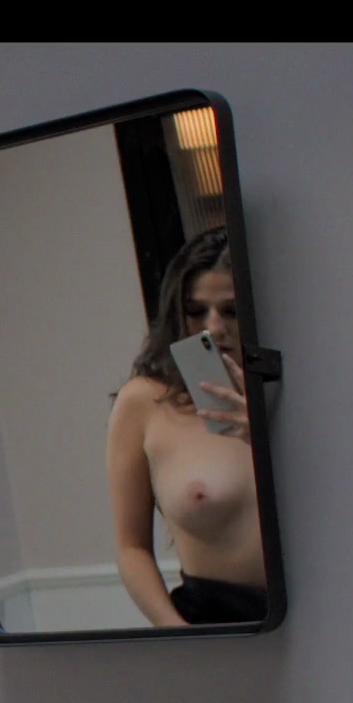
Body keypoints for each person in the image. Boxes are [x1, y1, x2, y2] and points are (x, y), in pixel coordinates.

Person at [105, 226, 266, 627]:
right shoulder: (145, 402)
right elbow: (131, 547)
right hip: (209, 618)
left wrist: (265, 439)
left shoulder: (305, 394)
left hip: (326, 611)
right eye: (196, 311)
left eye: (231, 310)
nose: (214, 327)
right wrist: (177, 634)